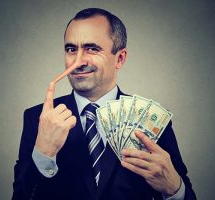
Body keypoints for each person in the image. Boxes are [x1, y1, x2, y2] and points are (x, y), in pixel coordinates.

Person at [12, 8, 196, 200]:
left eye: (92, 48)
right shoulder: (37, 118)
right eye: (71, 49)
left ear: (120, 58)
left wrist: (174, 188)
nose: (78, 62)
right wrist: (43, 153)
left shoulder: (153, 121)